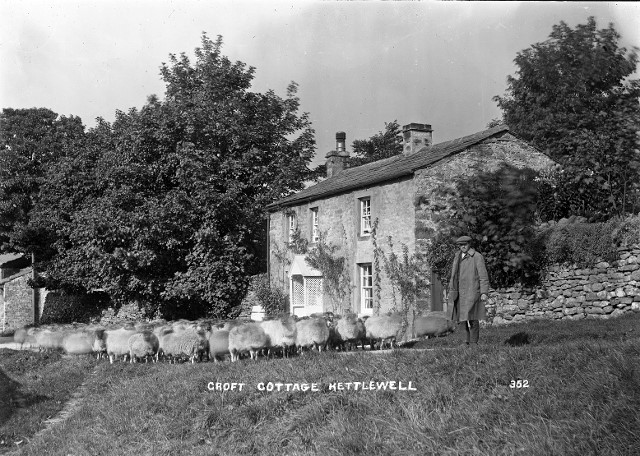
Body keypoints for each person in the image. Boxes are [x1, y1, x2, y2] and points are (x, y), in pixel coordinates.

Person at [447, 235, 490, 345]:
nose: (463, 247)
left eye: (465, 244)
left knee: (473, 317)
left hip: (472, 291)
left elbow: (483, 276)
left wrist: (484, 292)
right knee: (461, 318)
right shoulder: (457, 256)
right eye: (461, 245)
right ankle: (464, 342)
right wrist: (451, 290)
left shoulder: (477, 257)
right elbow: (454, 275)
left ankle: (474, 342)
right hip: (458, 292)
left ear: (469, 244)